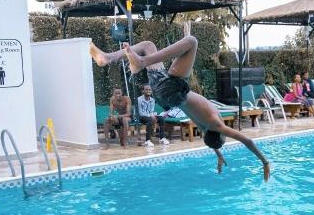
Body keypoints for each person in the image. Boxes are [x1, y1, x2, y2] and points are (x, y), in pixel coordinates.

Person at [90, 25, 271, 180]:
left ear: (221, 134)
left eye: (223, 139)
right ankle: (107, 58)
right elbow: (212, 140)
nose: (225, 138)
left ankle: (141, 62)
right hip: (163, 91)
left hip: (175, 90)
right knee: (148, 45)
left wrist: (264, 162)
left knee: (192, 41)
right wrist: (218, 154)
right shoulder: (205, 126)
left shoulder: (216, 125)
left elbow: (247, 140)